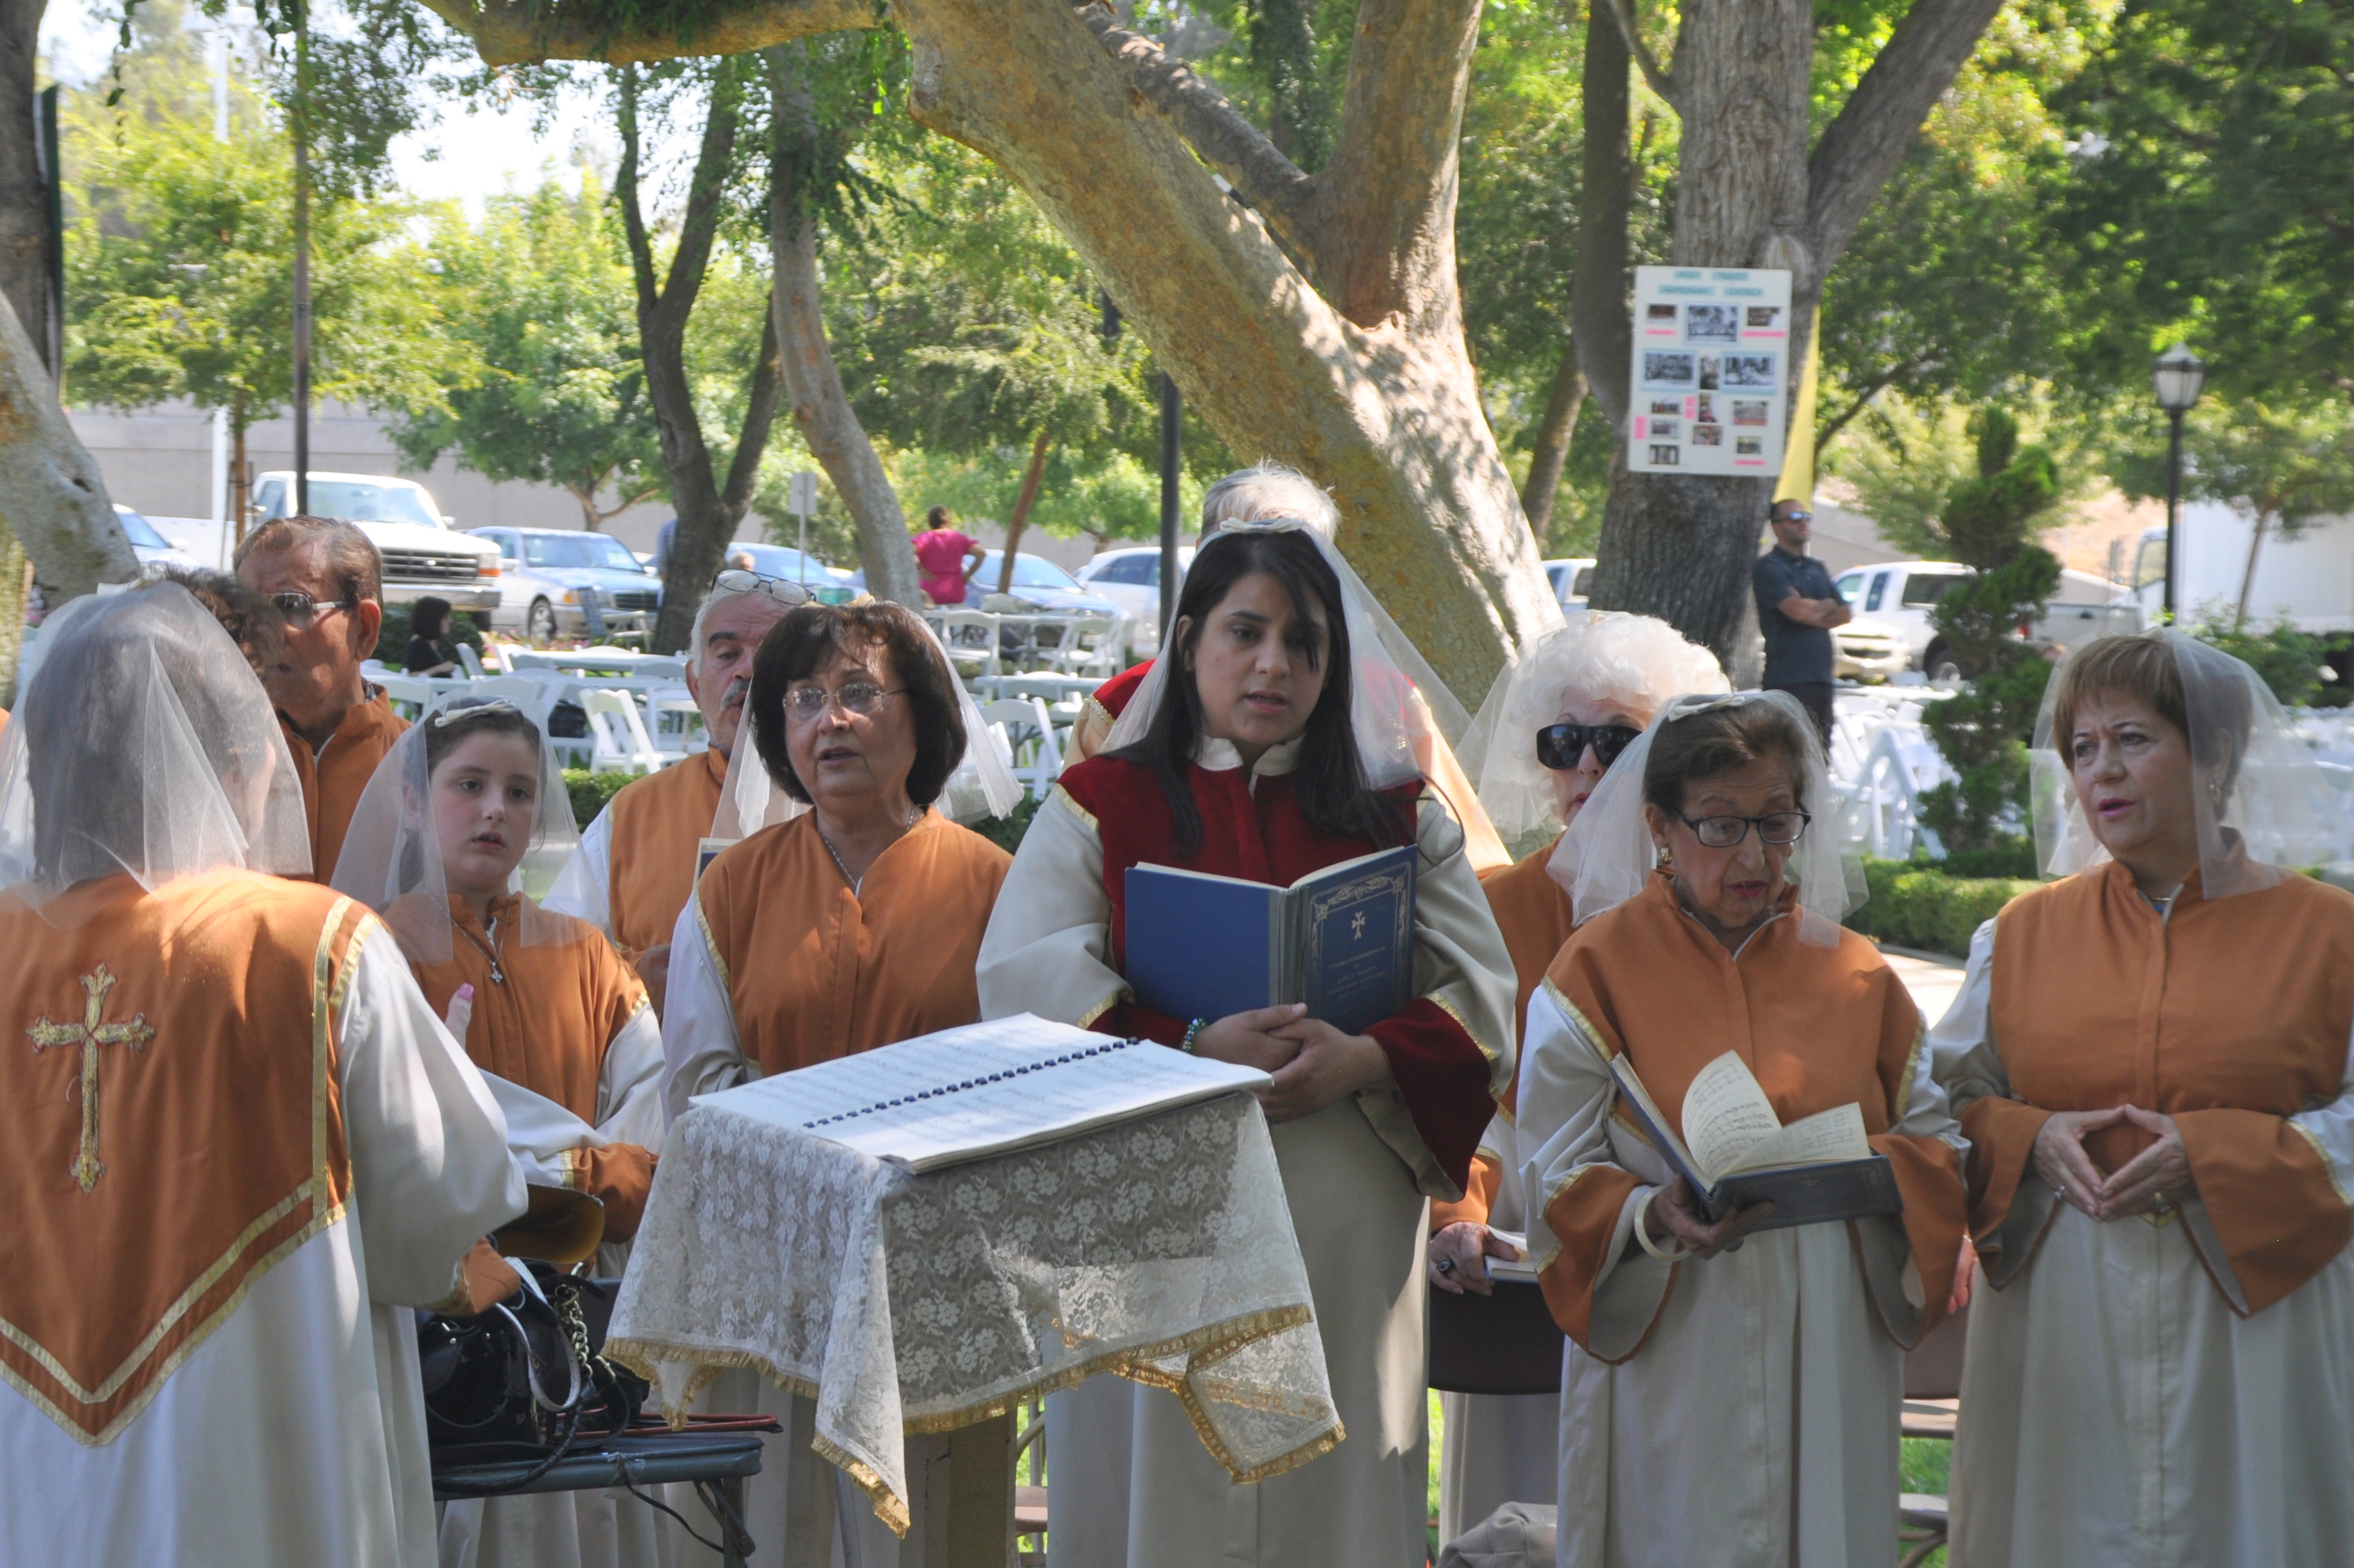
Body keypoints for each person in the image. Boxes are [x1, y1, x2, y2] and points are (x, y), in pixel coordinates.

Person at [977, 521, 1517, 1568]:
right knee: (1153, 1481)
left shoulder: (1399, 815)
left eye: (1303, 641)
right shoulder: (1100, 804)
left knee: (1331, 1488)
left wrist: (1366, 1057)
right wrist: (1188, 1043)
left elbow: (1484, 996)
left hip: (1339, 1208)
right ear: (1188, 643)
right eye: (1245, 631)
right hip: (1146, 1205)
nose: (1273, 663)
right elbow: (1023, 988)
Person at [0, 584, 525, 1567]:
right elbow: (445, 1196)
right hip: (253, 1440)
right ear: (237, 760)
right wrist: (466, 1270)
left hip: (25, 1458)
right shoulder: (312, 945)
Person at [1930, 631, 2354, 1568]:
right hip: (2061, 1325)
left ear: (2215, 754)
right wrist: (2032, 1136)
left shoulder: (2332, 935)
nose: (2102, 771)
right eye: (2082, 748)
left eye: (2132, 738)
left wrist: (2222, 1156)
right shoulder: (2018, 935)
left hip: (2261, 1329)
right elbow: (1941, 1102)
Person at [1517, 690, 1967, 1568]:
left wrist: (1875, 1168)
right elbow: (1550, 1169)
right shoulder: (1594, 970)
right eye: (1720, 826)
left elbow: (1934, 1141)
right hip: (1672, 1336)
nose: (1754, 856)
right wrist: (1648, 1214)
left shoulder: (1856, 973)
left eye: (1775, 823)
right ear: (1659, 825)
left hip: (1825, 1335)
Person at [658, 599, 1013, 1566]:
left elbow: (1019, 1084)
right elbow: (697, 1089)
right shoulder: (730, 889)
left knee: (926, 1528)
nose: (831, 721)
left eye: (860, 692)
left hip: (931, 1277)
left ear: (922, 716)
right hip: (770, 1267)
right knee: (776, 1522)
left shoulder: (992, 887)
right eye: (805, 699)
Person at [332, 699, 669, 1568]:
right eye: (470, 785)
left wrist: (564, 1174)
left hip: (586, 1300)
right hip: (447, 1312)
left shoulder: (588, 956)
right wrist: (566, 1172)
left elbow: (649, 1119)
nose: (496, 810)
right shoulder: (371, 955)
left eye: (519, 792)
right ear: (415, 801)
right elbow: (391, 1138)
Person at [1428, 613, 1726, 1547]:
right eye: (1563, 742)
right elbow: (1455, 1097)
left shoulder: (1720, 911)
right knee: (1513, 1509)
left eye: (1617, 740)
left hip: (1679, 1252)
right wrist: (1458, 1215)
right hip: (1525, 1253)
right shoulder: (1494, 907)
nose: (1587, 766)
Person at [1068, 463, 1514, 871]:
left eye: (1297, 554)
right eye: (1245, 633)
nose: (1273, 665)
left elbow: (1467, 866)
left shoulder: (1392, 703)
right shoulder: (1118, 706)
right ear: (1204, 559)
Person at [543, 569, 810, 1008]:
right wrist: (634, 979)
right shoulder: (633, 815)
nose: (748, 669)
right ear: (695, 684)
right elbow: (554, 957)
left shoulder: (855, 811)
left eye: (772, 654)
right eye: (727, 654)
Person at [235, 514, 411, 882]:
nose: (262, 632)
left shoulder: (423, 766)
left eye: (291, 605)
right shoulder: (217, 759)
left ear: (365, 628)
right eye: (247, 609)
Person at [1750, 499, 1850, 745]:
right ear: (1777, 527)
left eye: (1807, 516)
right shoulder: (1768, 567)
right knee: (1789, 749)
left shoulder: (1817, 568)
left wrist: (1810, 608)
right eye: (1795, 518)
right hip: (1787, 679)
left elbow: (1845, 614)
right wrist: (1826, 605)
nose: (1803, 522)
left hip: (1822, 679)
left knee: (1821, 751)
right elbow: (1797, 611)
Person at [911, 503, 986, 608]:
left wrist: (920, 569)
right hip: (955, 590)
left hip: (930, 591)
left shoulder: (924, 538)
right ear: (947, 520)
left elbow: (909, 552)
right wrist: (968, 575)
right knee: (955, 617)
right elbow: (981, 553)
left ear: (930, 521)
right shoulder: (959, 538)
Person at [403, 595, 461, 676]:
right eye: (446, 617)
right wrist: (440, 668)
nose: (451, 621)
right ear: (433, 620)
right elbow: (411, 677)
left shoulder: (428, 644)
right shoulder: (419, 646)